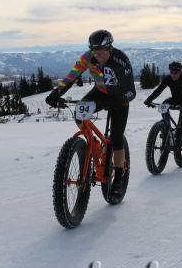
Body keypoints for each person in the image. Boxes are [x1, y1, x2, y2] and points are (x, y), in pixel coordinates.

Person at [45, 30, 135, 194]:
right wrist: (56, 93)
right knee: (79, 113)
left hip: (119, 97)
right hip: (100, 92)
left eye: (101, 52)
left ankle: (119, 178)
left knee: (116, 138)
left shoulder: (121, 61)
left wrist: (120, 100)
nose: (98, 55)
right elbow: (71, 77)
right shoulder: (87, 57)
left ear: (110, 48)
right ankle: (91, 143)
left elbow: (131, 92)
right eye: (95, 51)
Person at [143, 61, 182, 154]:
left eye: (176, 73)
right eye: (171, 72)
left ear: (180, 72)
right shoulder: (168, 79)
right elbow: (158, 90)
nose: (173, 75)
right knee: (164, 104)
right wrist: (149, 99)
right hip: (175, 99)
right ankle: (165, 126)